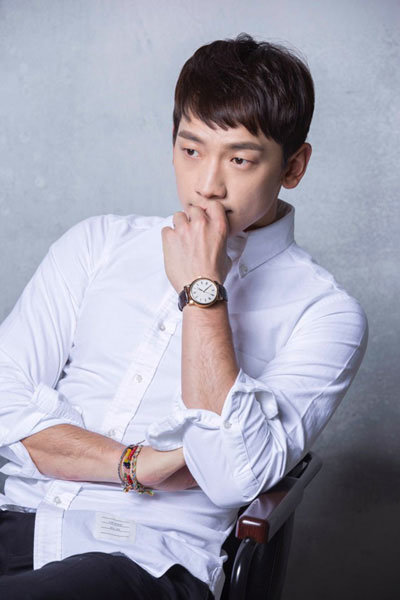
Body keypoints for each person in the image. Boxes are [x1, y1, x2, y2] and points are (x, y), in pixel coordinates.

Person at [0, 32, 368, 600]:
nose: (206, 186)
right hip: (20, 519)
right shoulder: (97, 244)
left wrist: (204, 291)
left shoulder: (326, 314)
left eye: (239, 159)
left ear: (293, 166)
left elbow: (230, 476)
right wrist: (135, 464)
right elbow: (4, 398)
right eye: (191, 150)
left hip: (149, 560)